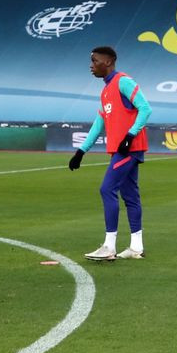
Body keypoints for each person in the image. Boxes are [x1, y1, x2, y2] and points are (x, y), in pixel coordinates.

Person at [67, 46, 153, 261]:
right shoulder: (105, 90)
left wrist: (130, 135)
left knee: (107, 189)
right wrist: (81, 151)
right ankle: (136, 247)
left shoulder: (123, 81)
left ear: (109, 62)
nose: (91, 65)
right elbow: (99, 123)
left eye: (95, 61)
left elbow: (145, 108)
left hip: (128, 149)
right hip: (123, 149)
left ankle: (109, 247)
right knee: (131, 196)